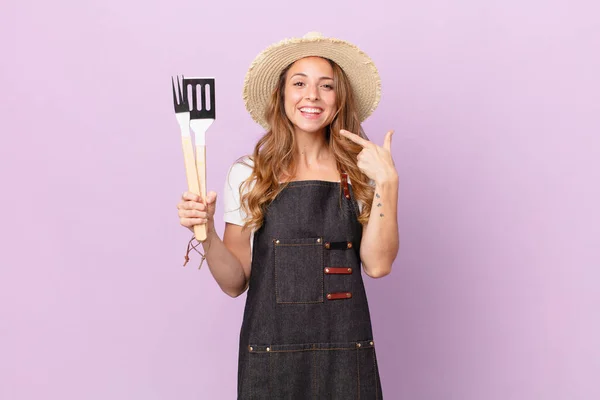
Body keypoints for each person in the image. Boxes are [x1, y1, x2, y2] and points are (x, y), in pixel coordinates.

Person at [176, 32, 399, 399]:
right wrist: (207, 233)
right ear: (281, 95)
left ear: (338, 99)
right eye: (299, 83)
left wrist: (388, 181)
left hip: (345, 354)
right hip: (270, 356)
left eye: (325, 86)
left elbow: (377, 265)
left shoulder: (363, 173)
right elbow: (234, 283)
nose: (311, 95)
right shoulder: (249, 173)